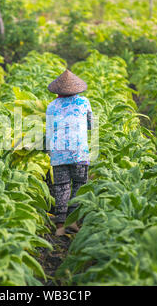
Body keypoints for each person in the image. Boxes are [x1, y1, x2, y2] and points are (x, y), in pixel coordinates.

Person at [45, 69, 92, 236]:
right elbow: (90, 125)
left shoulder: (51, 106)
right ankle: (72, 221)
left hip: (58, 152)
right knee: (79, 185)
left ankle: (60, 226)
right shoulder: (84, 102)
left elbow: (49, 132)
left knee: (61, 186)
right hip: (79, 151)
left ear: (58, 91)